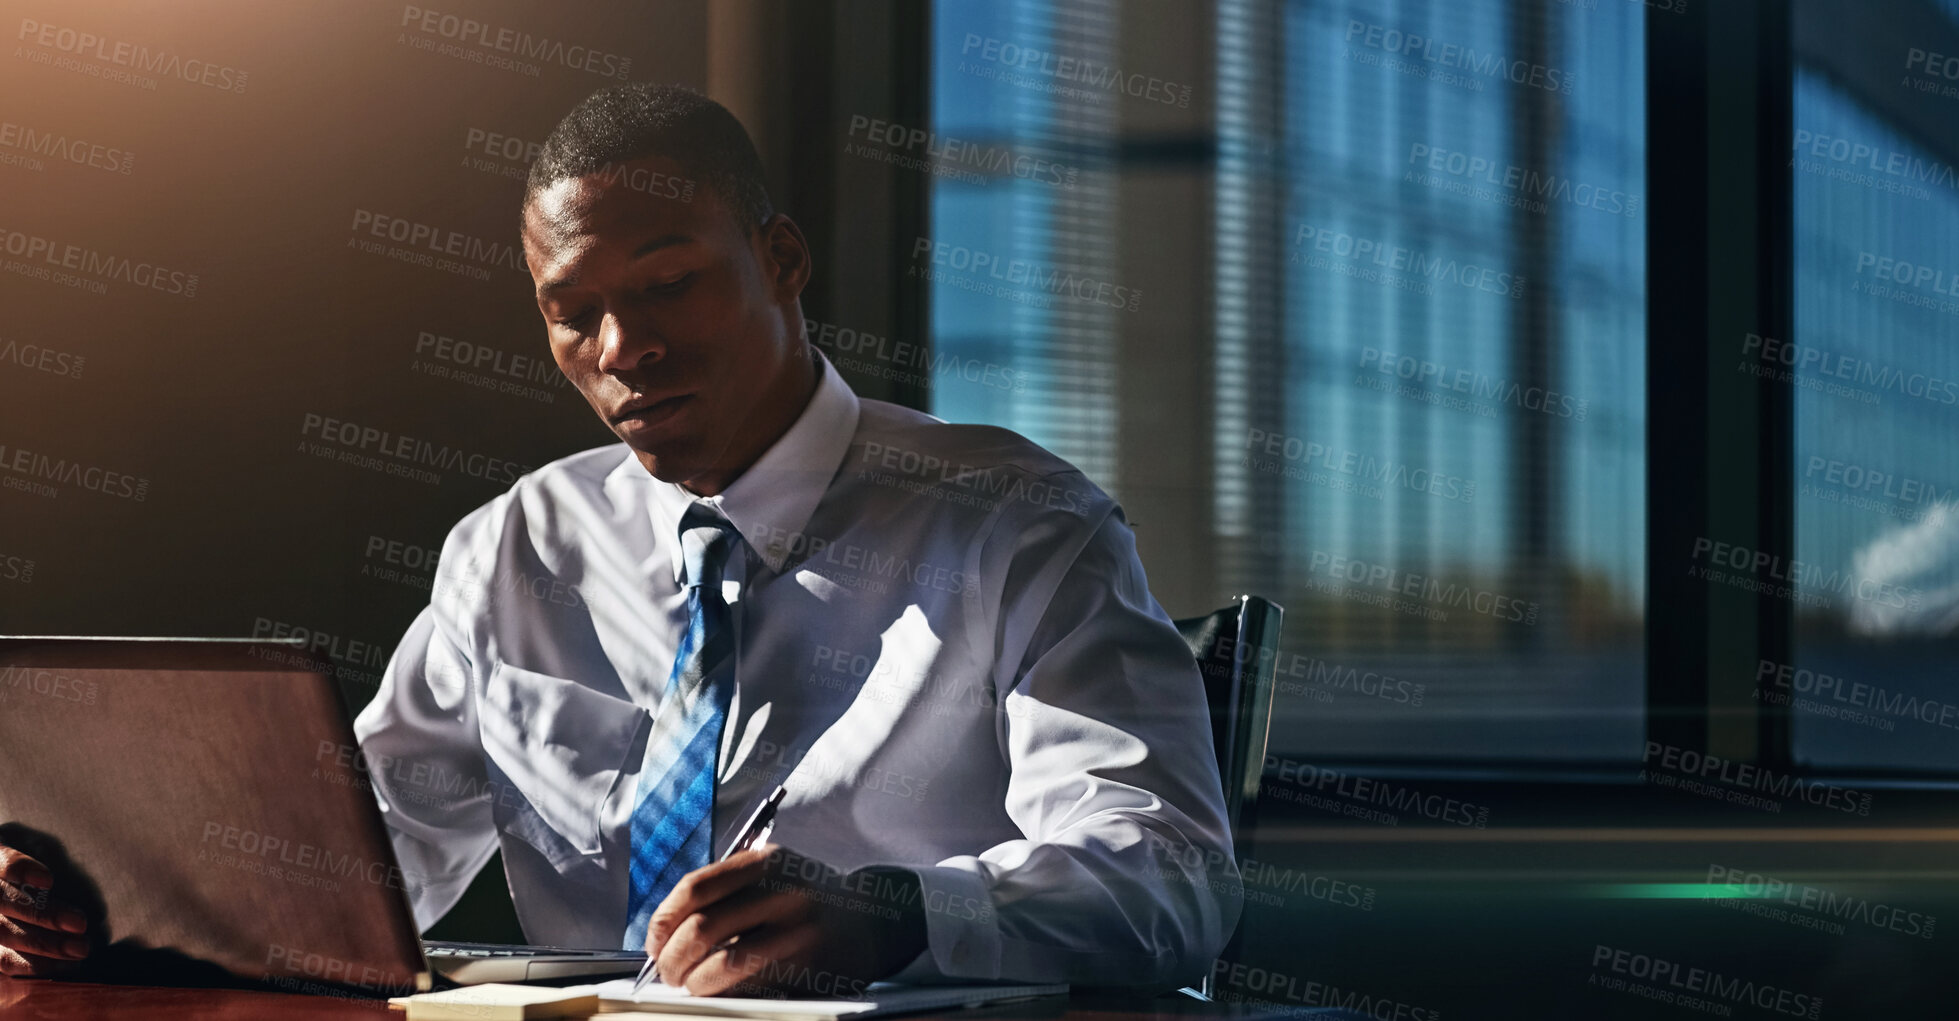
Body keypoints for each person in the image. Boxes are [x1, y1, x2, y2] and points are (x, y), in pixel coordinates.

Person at [0, 84, 1240, 994]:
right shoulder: (517, 544)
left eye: (665, 285)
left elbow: (1173, 876)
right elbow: (357, 864)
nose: (621, 350)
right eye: (572, 312)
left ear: (782, 258)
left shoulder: (1022, 525)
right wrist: (103, 902)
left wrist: (909, 911)